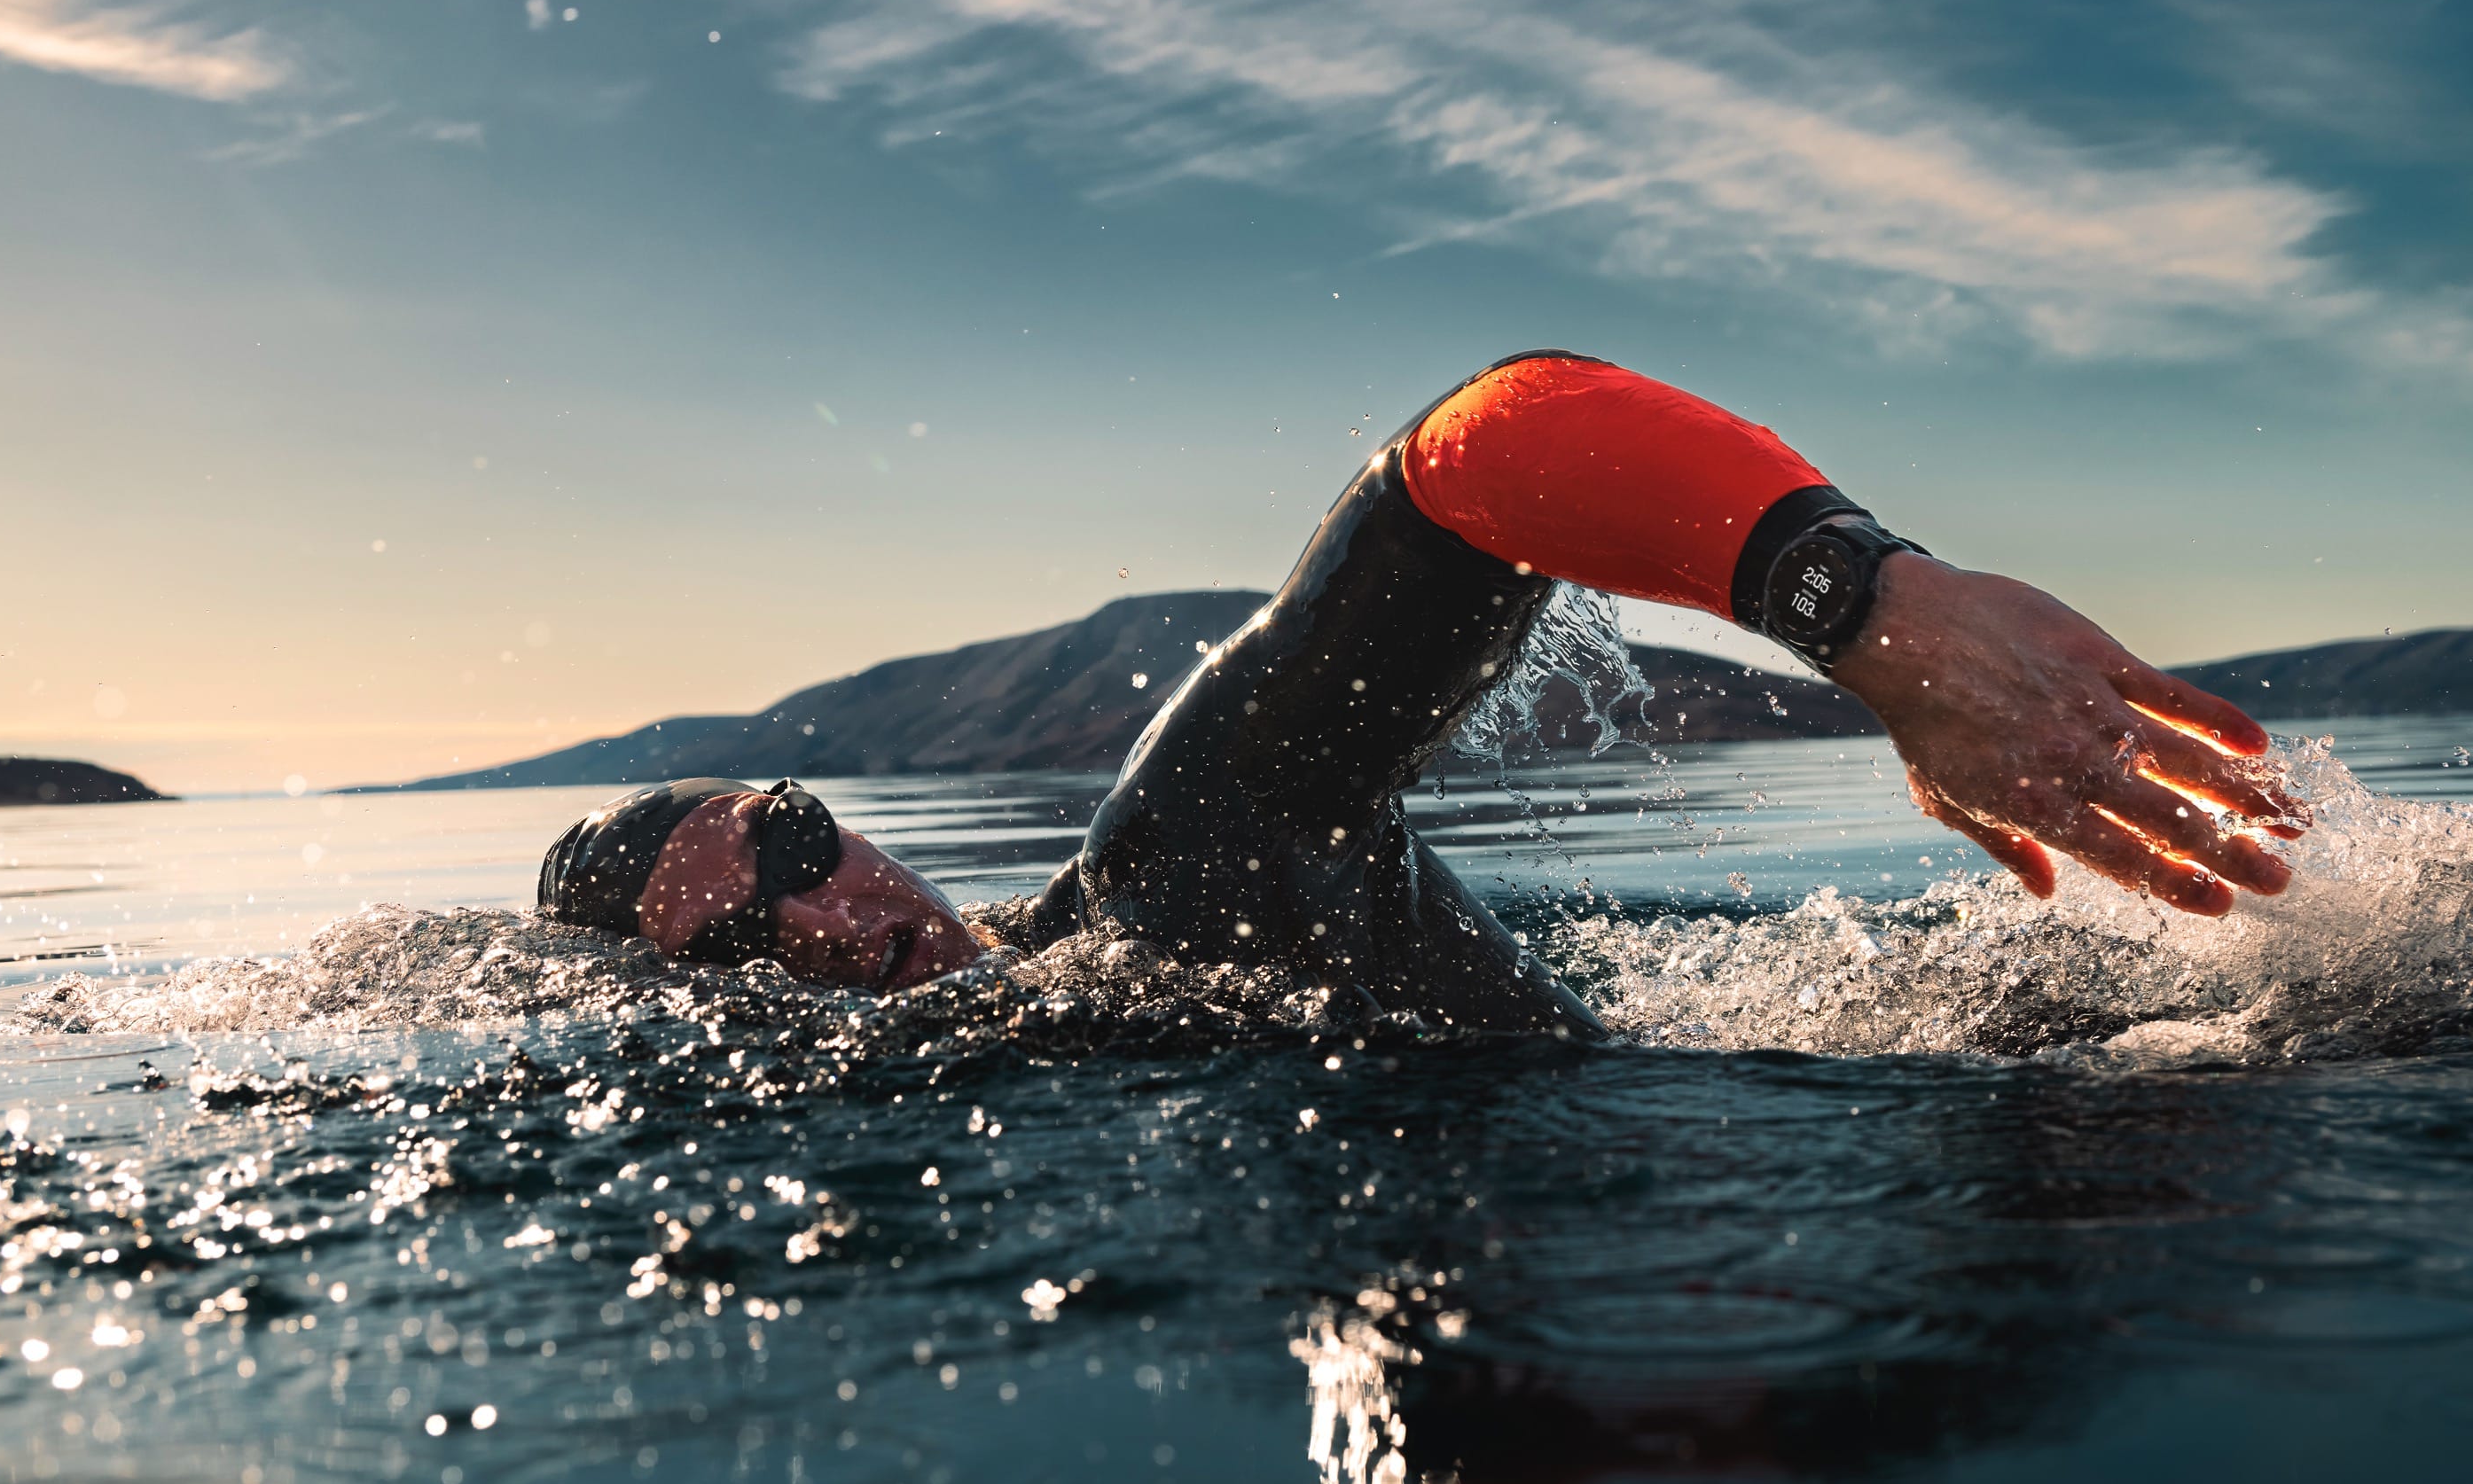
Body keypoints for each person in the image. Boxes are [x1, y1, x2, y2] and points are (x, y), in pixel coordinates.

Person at [538, 349, 2300, 1033]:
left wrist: (1872, 611)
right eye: (756, 945)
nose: (832, 921)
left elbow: (1489, 452)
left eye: (797, 840)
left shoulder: (1177, 866)